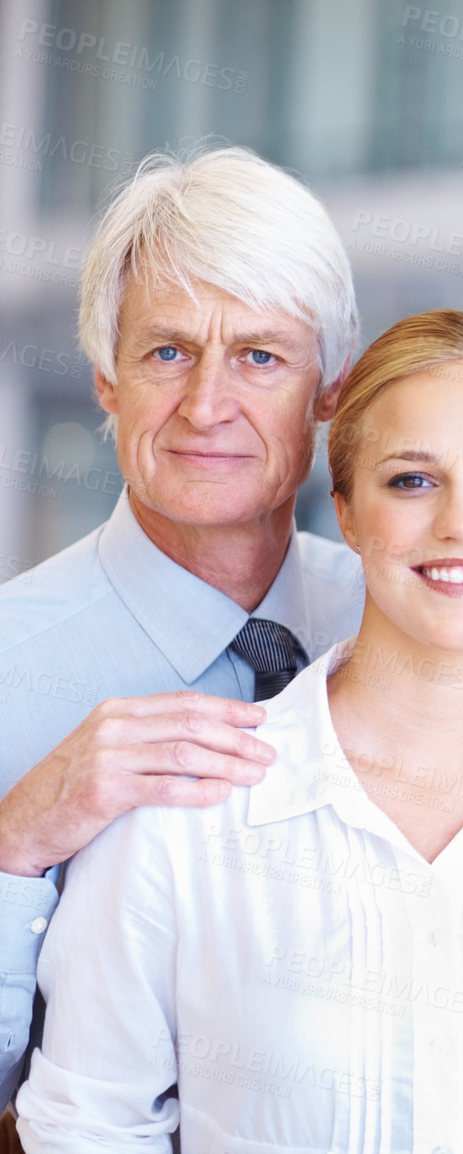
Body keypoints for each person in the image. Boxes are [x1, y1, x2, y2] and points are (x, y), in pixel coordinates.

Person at [16, 311, 463, 1151]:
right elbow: (85, 1128)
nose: (462, 522)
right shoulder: (180, 811)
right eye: (412, 480)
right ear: (344, 510)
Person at [0, 146, 364, 1104]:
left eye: (260, 356)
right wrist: (17, 844)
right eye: (166, 352)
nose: (207, 406)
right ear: (106, 382)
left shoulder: (405, 624)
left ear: (331, 389)